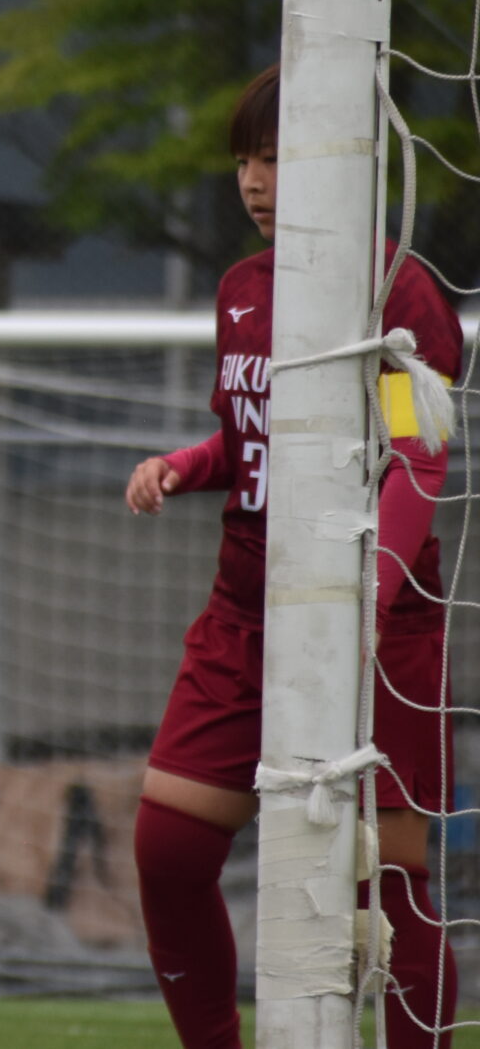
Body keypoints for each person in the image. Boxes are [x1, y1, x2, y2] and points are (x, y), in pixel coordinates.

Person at [126, 64, 461, 1049]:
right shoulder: (242, 288)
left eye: (275, 157)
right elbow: (252, 441)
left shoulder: (395, 289)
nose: (254, 180)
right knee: (168, 849)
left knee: (385, 877)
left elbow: (417, 456)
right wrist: (183, 466)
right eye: (244, 159)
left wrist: (367, 598)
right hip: (246, 610)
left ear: (345, 160)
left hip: (378, 625)